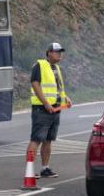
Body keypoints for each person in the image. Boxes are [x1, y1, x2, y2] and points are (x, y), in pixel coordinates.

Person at [27, 42, 72, 179]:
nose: (59, 54)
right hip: (42, 109)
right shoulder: (39, 65)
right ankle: (29, 169)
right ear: (49, 53)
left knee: (48, 140)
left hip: (55, 109)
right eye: (57, 52)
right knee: (36, 139)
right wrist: (45, 103)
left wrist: (66, 98)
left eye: (61, 52)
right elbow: (35, 84)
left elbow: (57, 88)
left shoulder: (56, 68)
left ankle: (45, 168)